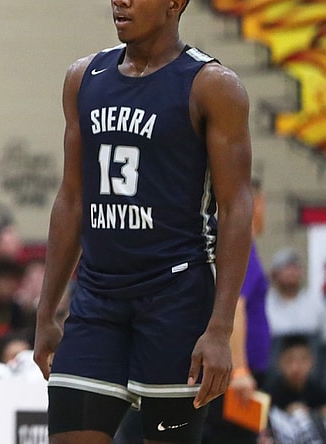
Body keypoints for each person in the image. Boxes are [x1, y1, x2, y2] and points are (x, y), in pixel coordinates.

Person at [32, 0, 254, 443]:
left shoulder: (212, 85)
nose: (120, 1)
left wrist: (220, 329)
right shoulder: (83, 77)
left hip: (176, 298)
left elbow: (235, 209)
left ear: (175, 4)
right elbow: (71, 198)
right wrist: (46, 311)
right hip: (96, 297)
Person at [203, 177, 272, 444]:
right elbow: (235, 307)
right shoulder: (239, 244)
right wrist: (240, 371)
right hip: (236, 377)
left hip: (236, 373)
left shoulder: (238, 245)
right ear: (255, 205)